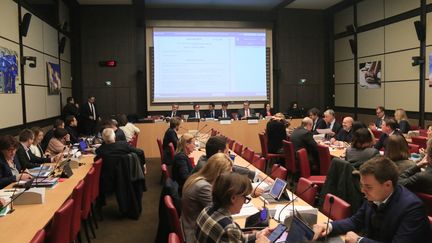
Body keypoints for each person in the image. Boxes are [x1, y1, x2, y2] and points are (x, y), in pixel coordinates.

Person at [313, 156, 430, 243]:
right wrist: (329, 227)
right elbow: (355, 221)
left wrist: (359, 240)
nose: (363, 191)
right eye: (361, 185)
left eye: (368, 187)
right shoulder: (374, 195)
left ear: (388, 185)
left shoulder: (412, 208)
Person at [195, 172, 272, 242]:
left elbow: (237, 239)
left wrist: (257, 235)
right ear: (233, 198)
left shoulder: (207, 209)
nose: (244, 202)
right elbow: (232, 235)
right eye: (245, 197)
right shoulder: (228, 228)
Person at [181, 153, 233, 242]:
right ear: (219, 173)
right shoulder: (204, 187)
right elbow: (218, 213)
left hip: (188, 224)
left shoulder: (197, 177)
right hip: (194, 234)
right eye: (229, 173)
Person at [192, 136, 257, 180]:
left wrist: (252, 174)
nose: (228, 155)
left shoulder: (205, 159)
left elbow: (233, 169)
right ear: (219, 153)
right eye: (227, 152)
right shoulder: (209, 170)